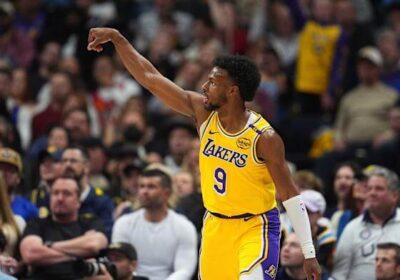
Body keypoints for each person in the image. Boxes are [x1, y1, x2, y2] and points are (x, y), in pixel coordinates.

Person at [87, 27, 321, 279]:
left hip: (255, 227)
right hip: (215, 227)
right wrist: (118, 39)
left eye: (212, 82)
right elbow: (149, 77)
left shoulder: (264, 138)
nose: (203, 86)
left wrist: (309, 252)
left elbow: (289, 194)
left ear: (233, 90)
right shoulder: (203, 113)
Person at [112, 167, 198, 280]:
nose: (144, 191)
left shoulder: (184, 226)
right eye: (141, 186)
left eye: (151, 187)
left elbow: (184, 269)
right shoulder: (123, 224)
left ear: (167, 193)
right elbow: (120, 263)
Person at [20, 176, 108, 279]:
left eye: (67, 194)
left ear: (78, 201)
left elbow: (93, 245)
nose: (60, 198)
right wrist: (80, 253)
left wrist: (49, 246)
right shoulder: (36, 224)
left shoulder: (91, 223)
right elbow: (31, 254)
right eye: (55, 193)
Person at [332, 166, 400, 280]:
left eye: (379, 189)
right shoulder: (352, 228)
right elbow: (339, 274)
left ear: (395, 195)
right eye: (369, 188)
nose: (372, 193)